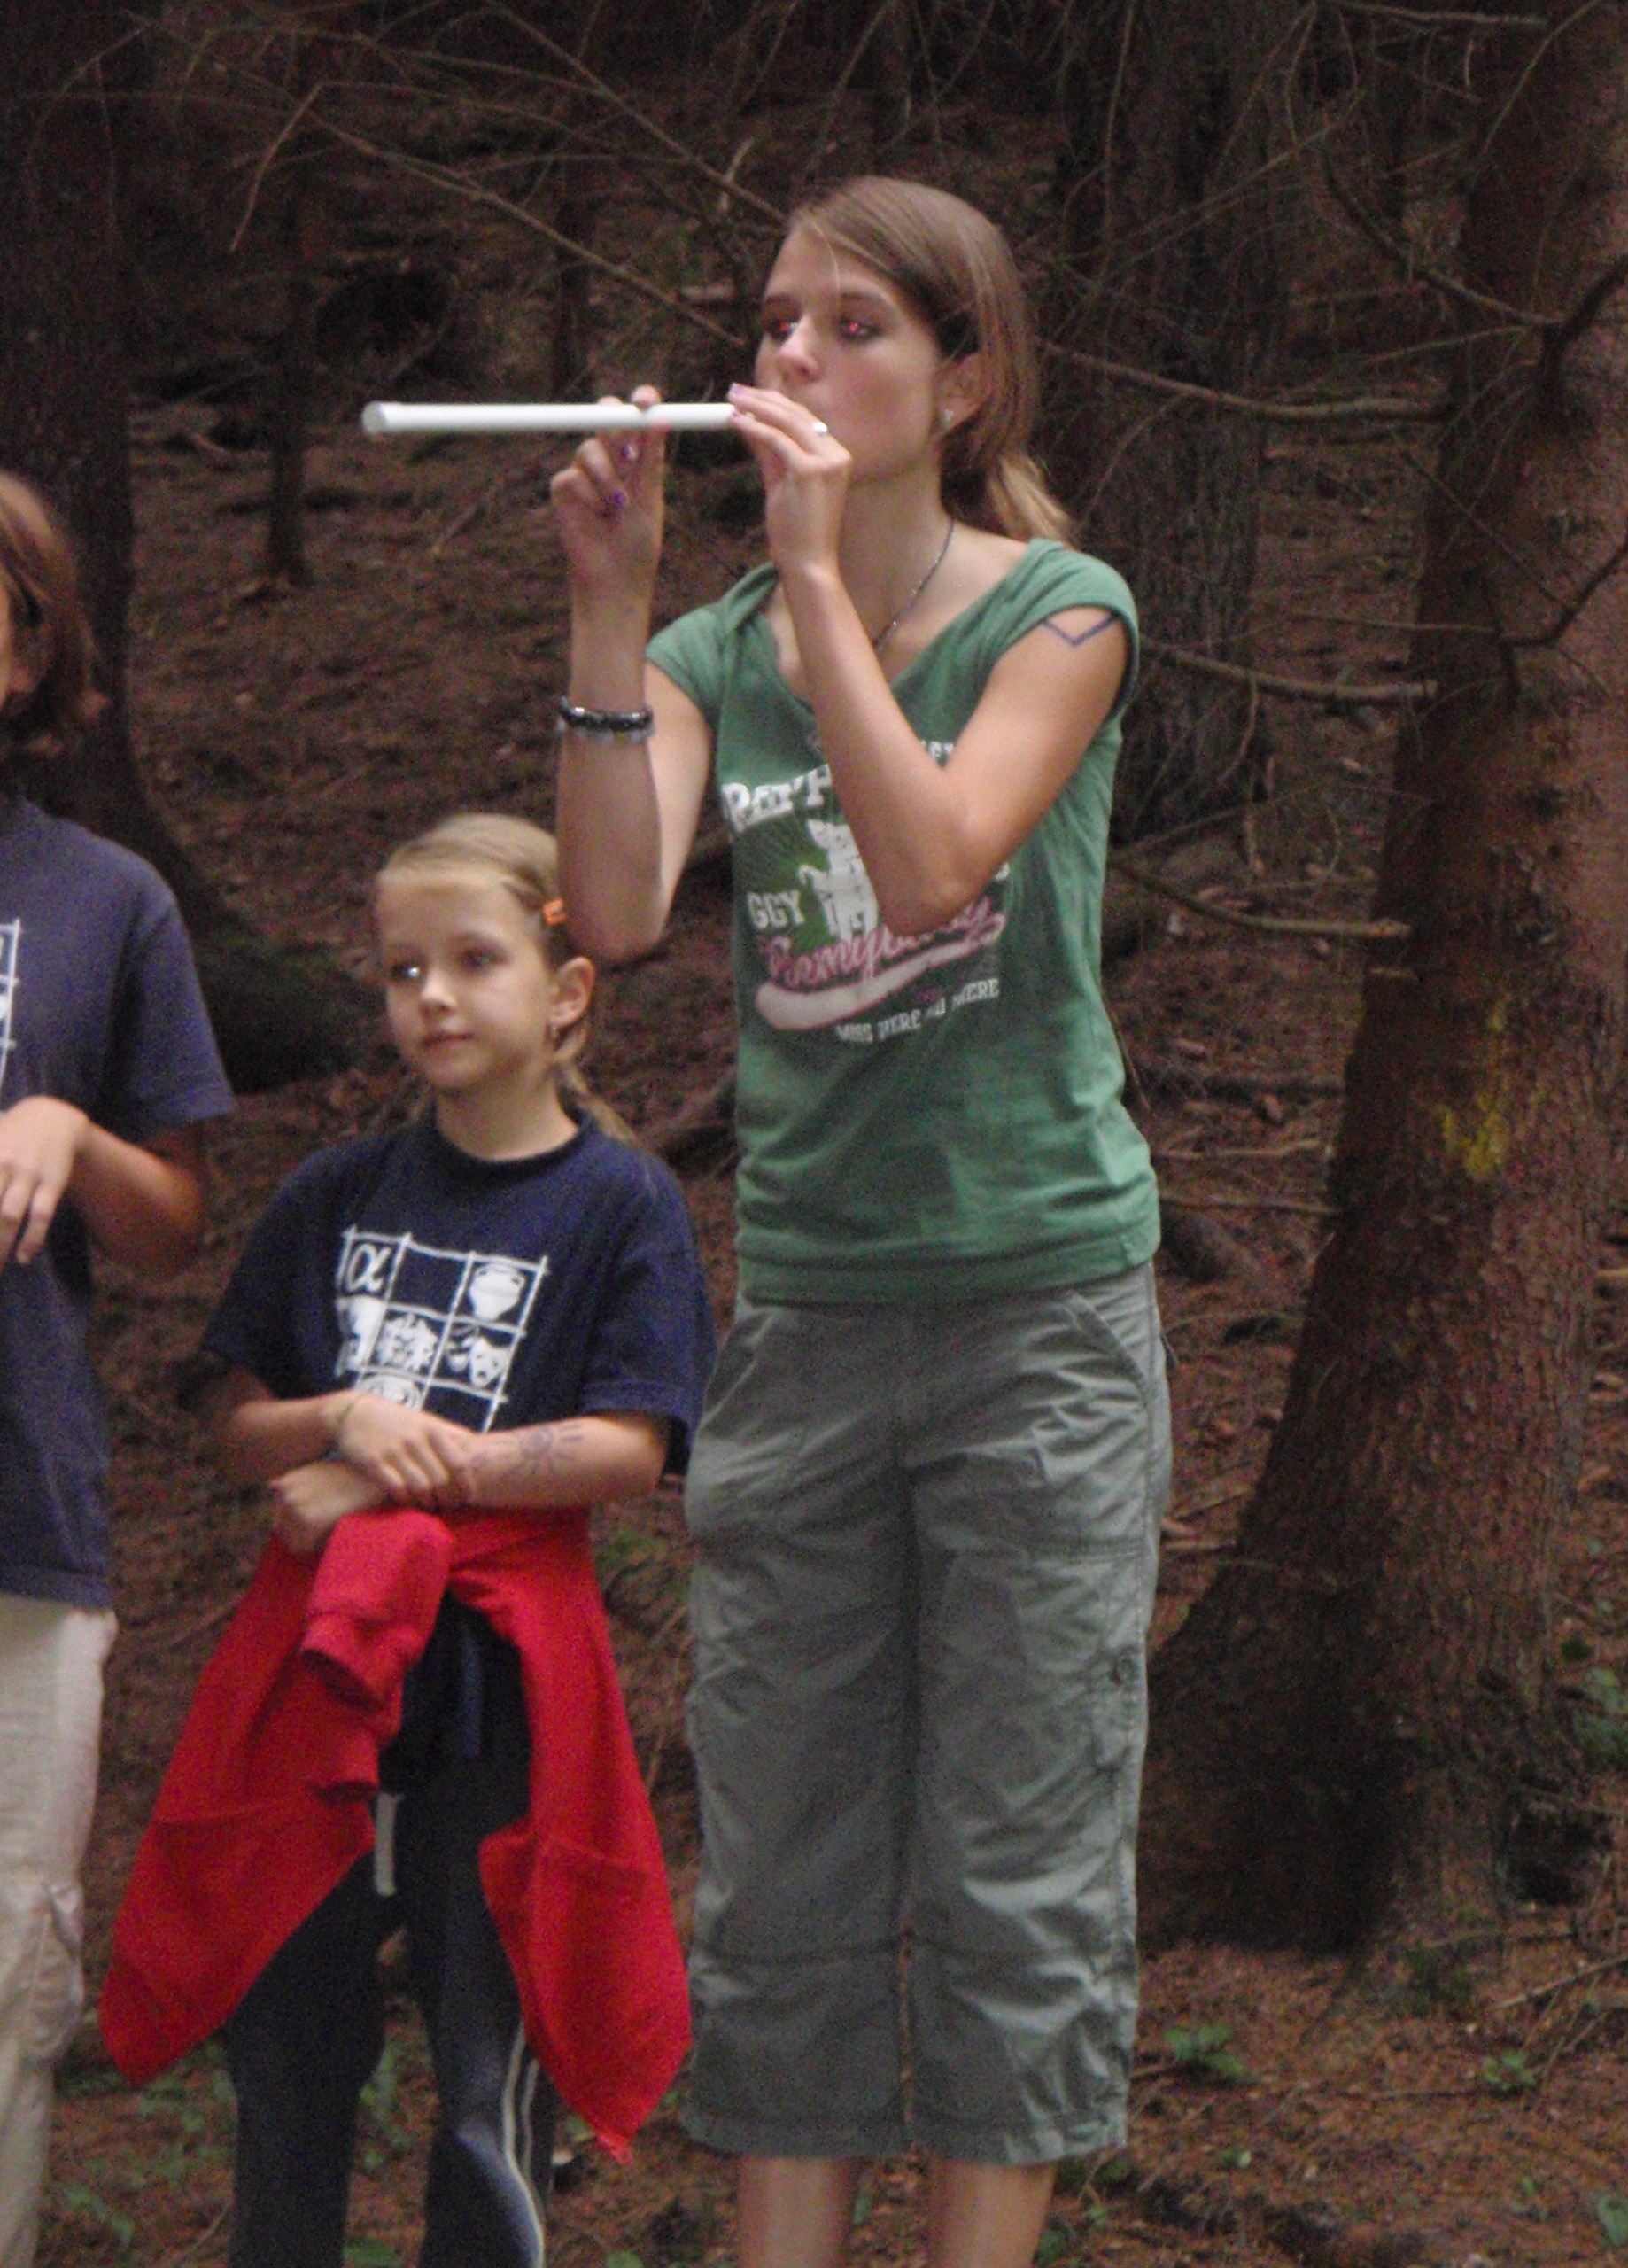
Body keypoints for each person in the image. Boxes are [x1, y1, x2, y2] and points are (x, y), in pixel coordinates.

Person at [547, 176, 1172, 2268]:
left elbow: (930, 865)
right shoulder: (715, 647)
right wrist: (610, 612)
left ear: (965, 378)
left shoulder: (1062, 611)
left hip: (1039, 1323)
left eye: (854, 326)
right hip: (808, 1327)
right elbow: (615, 909)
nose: (792, 355)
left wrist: (813, 576)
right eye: (774, 321)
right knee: (788, 1875)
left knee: (1016, 1871)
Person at [98, 813, 716, 2268]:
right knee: (288, 2049)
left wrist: (394, 1483)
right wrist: (340, 1419)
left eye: (474, 961)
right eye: (401, 970)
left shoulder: (621, 1203)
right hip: (317, 1677)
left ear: (565, 994)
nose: (432, 996)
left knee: (486, 2071)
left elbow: (630, 1449)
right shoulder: (333, 1195)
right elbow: (241, 1427)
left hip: (501, 1696)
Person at [0, 471, 232, 2268]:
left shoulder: (105, 899)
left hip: (22, 1514)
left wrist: (71, 1133)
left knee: (12, 1963)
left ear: (27, 650)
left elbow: (174, 1227)